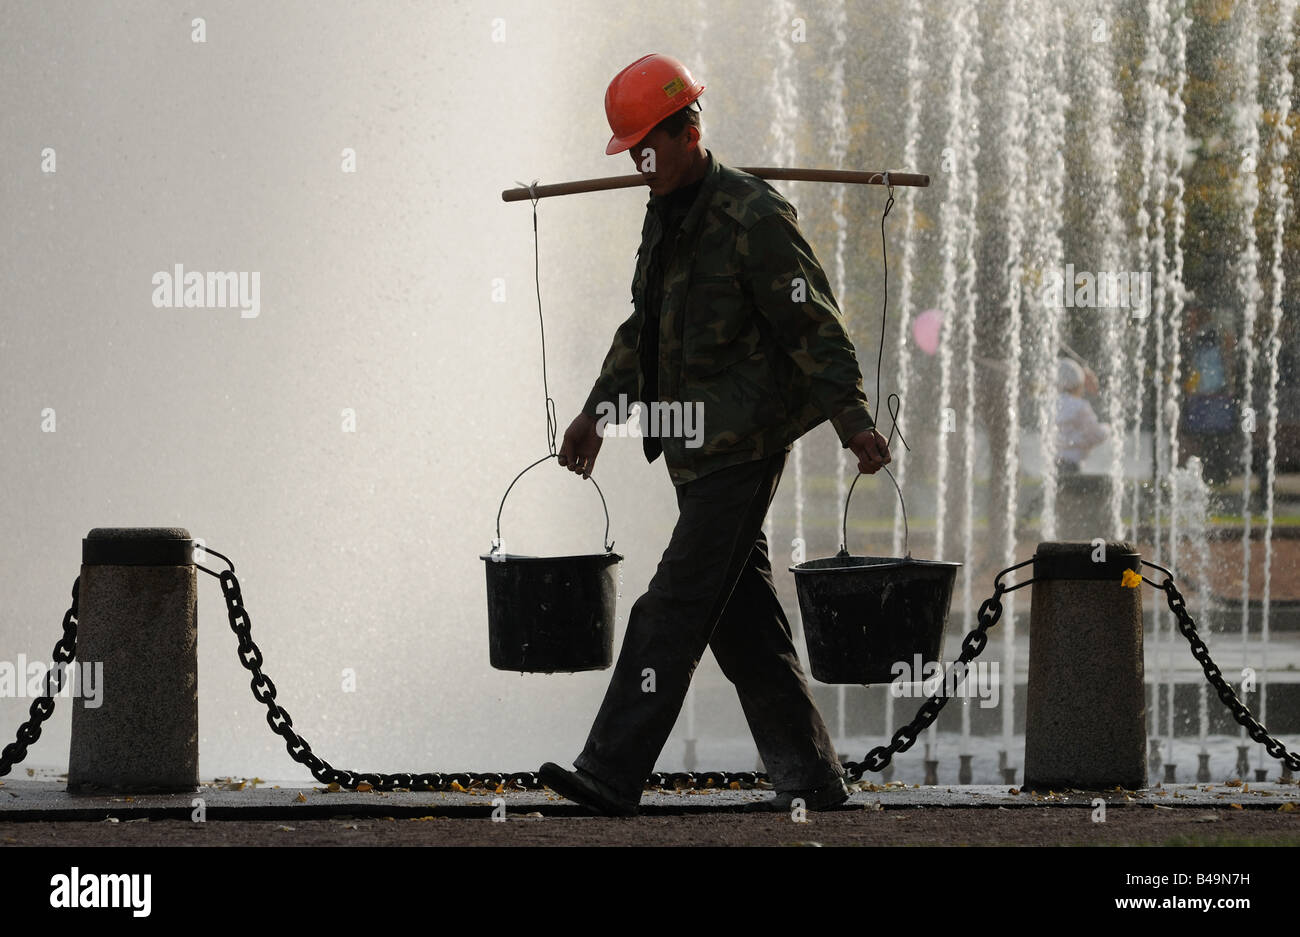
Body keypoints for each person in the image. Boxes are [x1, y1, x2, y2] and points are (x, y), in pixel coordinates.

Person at [539, 53, 891, 816]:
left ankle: (609, 769)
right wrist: (599, 412)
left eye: (647, 149)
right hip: (693, 452)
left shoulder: (753, 216)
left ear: (688, 132)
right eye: (631, 153)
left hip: (744, 445)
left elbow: (814, 324)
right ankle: (815, 780)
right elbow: (645, 329)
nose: (639, 166)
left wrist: (853, 419)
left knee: (671, 604)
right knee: (746, 627)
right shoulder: (664, 218)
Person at [1056, 358, 1109, 473]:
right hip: (1072, 465)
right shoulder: (1080, 406)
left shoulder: (1052, 404)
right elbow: (1097, 435)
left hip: (1055, 463)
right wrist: (1108, 428)